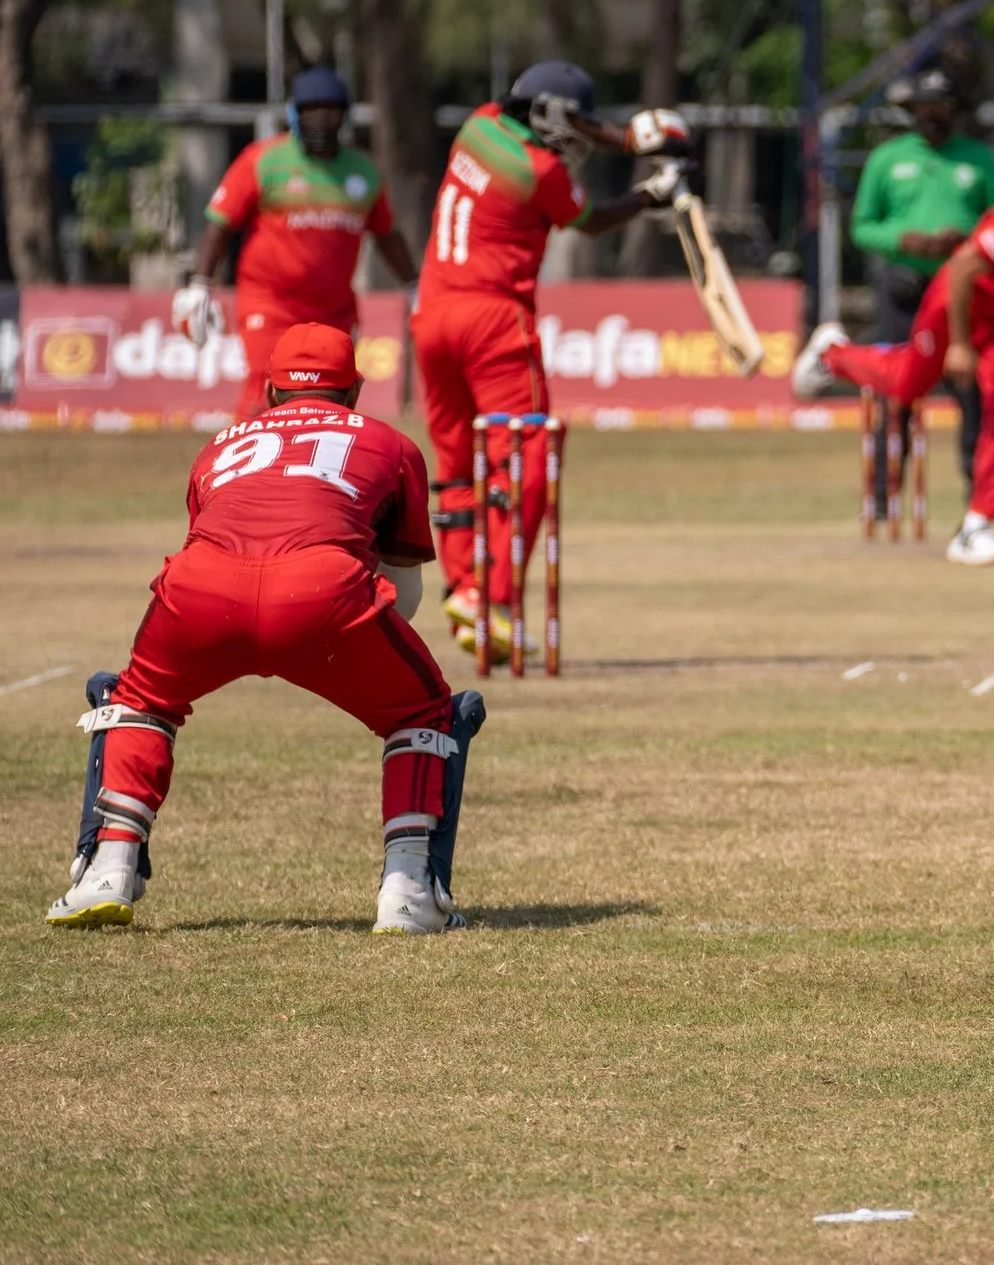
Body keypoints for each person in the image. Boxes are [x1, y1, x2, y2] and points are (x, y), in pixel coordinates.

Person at [47, 324, 484, 935]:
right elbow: (403, 592)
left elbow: (213, 541)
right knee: (426, 714)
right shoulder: (392, 443)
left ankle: (107, 870)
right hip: (322, 590)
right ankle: (408, 893)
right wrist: (333, 654)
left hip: (200, 589)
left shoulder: (220, 444)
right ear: (355, 388)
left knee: (140, 701)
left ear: (272, 391)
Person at [411, 60, 686, 659]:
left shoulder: (478, 127)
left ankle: (463, 586)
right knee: (530, 456)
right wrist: (648, 195)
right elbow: (590, 223)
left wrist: (631, 137)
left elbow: (566, 122)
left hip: (431, 315)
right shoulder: (541, 172)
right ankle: (497, 598)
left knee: (458, 462)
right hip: (493, 320)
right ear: (551, 116)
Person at [796, 154, 994, 567]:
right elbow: (964, 268)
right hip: (958, 302)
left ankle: (977, 524)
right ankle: (833, 355)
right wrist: (961, 345)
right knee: (909, 385)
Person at [173, 67, 419, 420]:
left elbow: (386, 234)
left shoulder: (363, 171)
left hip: (334, 310)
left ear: (345, 115)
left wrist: (414, 287)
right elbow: (220, 223)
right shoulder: (264, 160)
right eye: (311, 109)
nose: (321, 119)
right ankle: (245, 473)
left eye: (330, 110)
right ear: (294, 114)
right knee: (266, 393)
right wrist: (199, 285)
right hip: (271, 302)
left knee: (331, 402)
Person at [835, 68, 994, 510]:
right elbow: (863, 227)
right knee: (897, 391)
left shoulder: (978, 158)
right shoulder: (888, 158)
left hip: (960, 291)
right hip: (904, 287)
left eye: (942, 107)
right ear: (912, 111)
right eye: (925, 107)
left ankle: (976, 502)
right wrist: (902, 240)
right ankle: (884, 494)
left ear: (954, 111)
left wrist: (963, 239)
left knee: (971, 391)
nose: (934, 115)